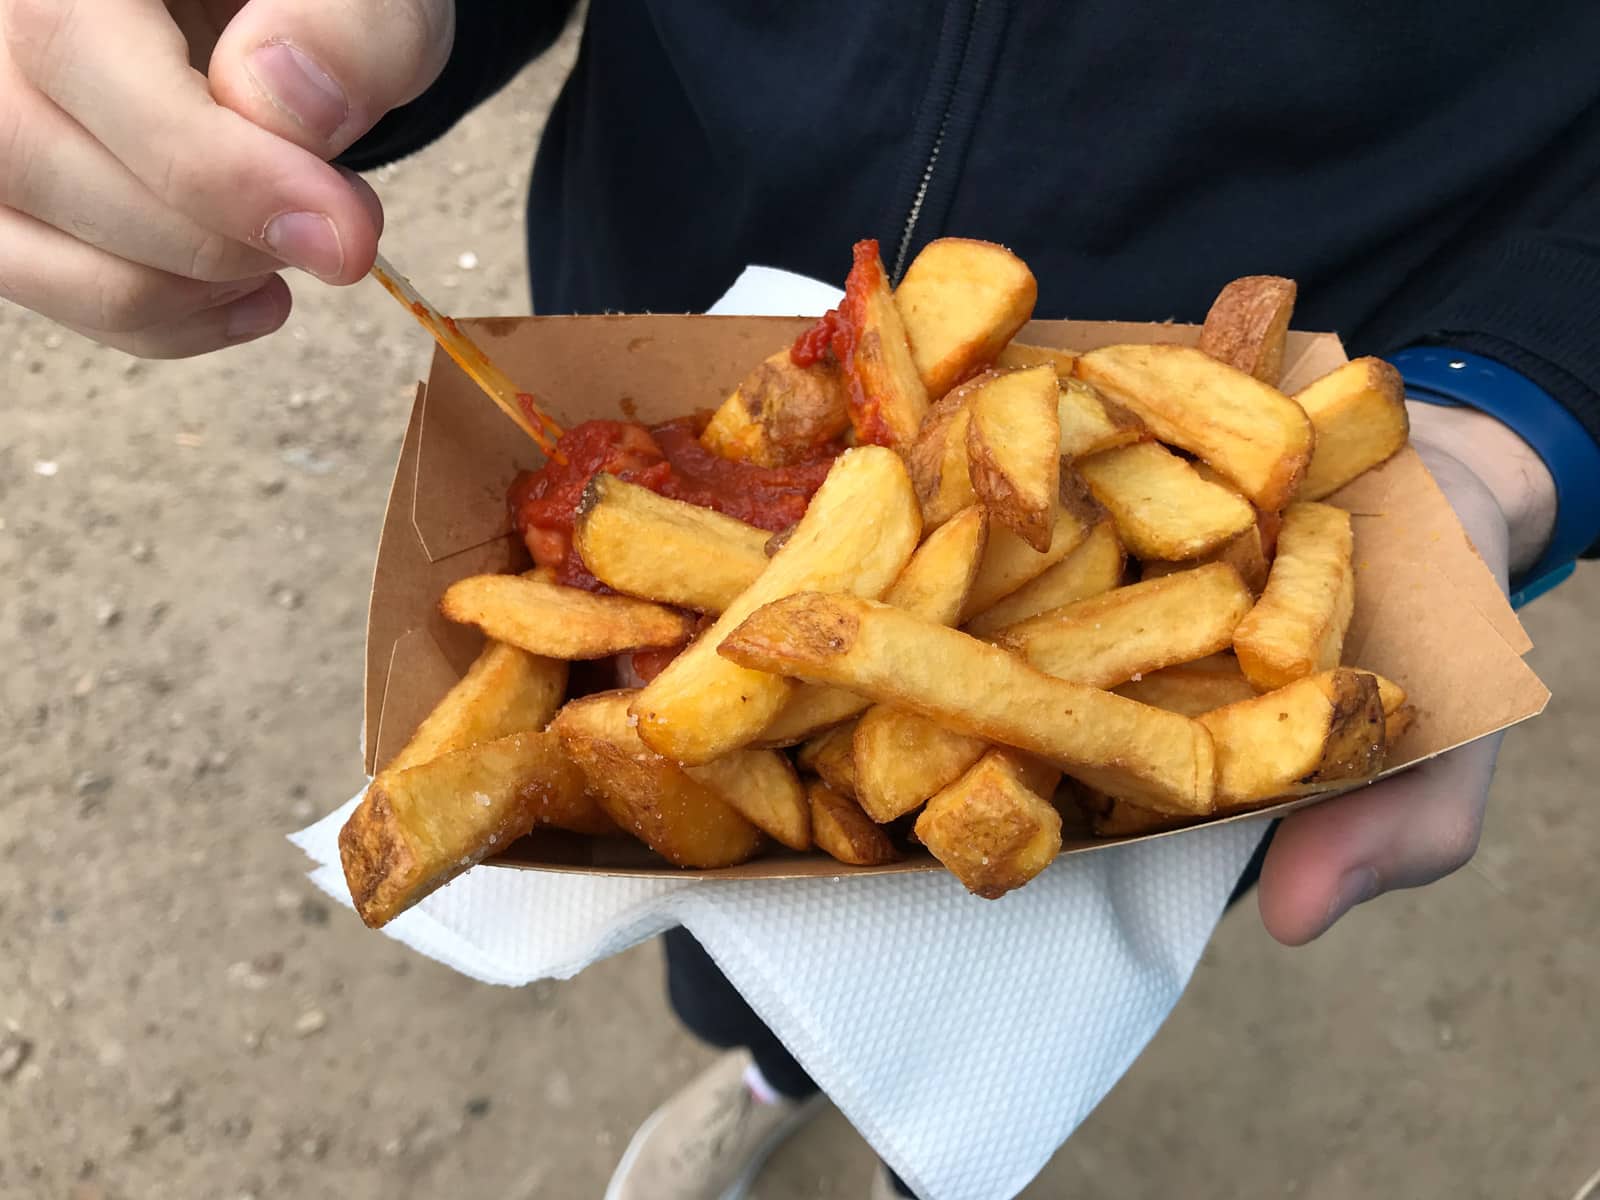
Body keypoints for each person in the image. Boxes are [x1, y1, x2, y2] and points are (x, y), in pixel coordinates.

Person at [4, 4, 1595, 1197]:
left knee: (1007, 947)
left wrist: (1530, 401)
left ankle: (918, 1143)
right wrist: (274, 43)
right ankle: (770, 1070)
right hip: (666, 292)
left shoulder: (1203, 604)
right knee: (726, 898)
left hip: (1275, 433)